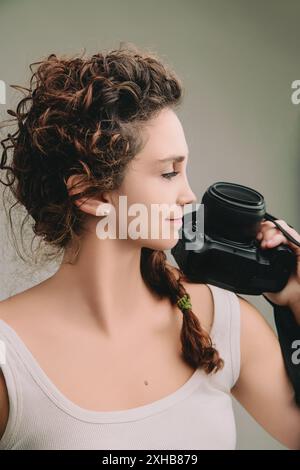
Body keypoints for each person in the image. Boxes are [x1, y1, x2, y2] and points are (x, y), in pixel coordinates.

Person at [0, 44, 299, 450]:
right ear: (91, 194)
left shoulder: (223, 321)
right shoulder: (8, 357)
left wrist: (297, 300)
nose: (189, 195)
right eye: (169, 173)